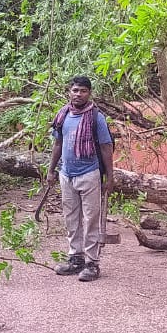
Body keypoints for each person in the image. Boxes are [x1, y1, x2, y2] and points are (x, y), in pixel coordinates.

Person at [46, 76, 114, 282]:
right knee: (71, 218)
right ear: (69, 92)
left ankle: (92, 263)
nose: (78, 94)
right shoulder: (63, 115)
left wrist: (109, 177)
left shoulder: (96, 118)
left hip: (89, 173)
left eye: (83, 91)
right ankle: (76, 259)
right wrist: (51, 170)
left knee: (91, 219)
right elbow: (58, 144)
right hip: (67, 174)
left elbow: (106, 147)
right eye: (75, 90)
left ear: (89, 93)